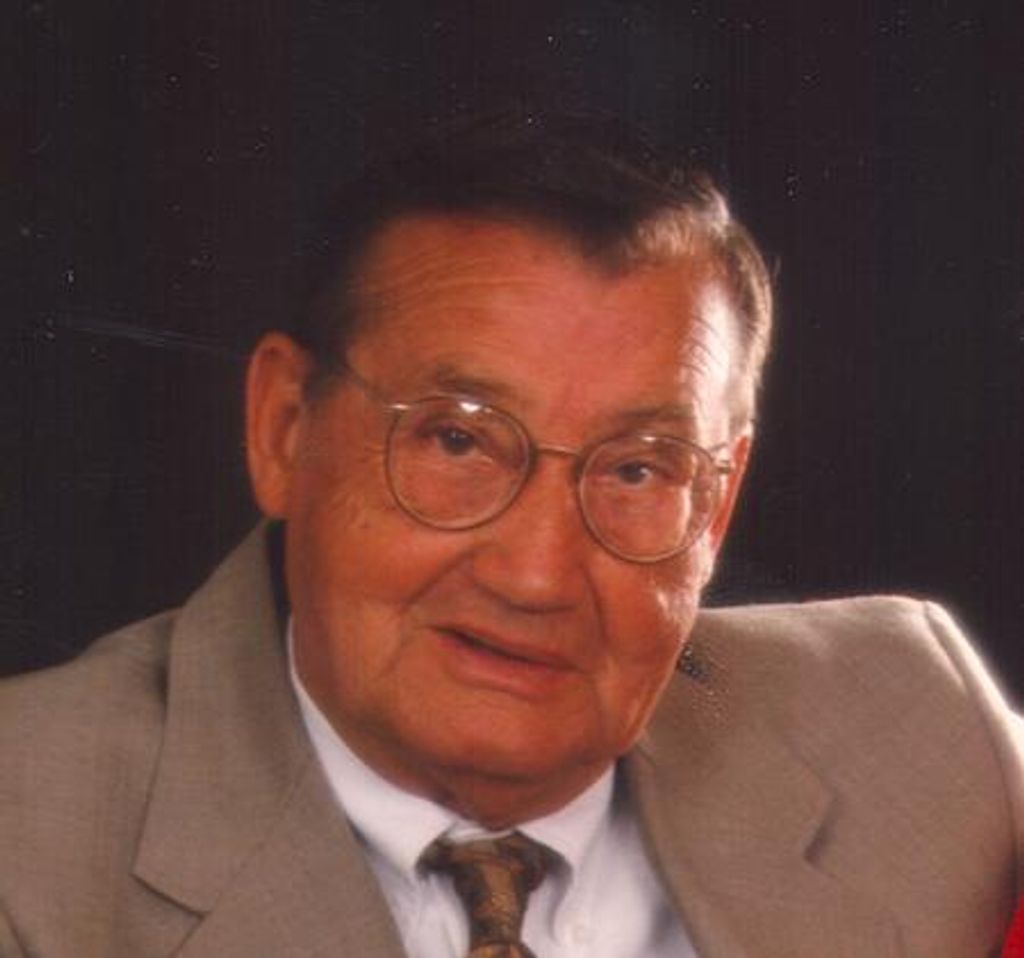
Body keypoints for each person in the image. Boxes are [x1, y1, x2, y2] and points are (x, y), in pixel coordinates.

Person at [1, 113, 1021, 958]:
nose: (537, 576)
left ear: (714, 509)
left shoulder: (920, 722)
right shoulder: (29, 852)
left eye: (638, 469)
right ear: (283, 428)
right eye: (457, 440)